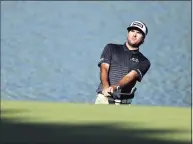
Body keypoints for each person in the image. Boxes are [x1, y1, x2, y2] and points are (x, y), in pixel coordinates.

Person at [95, 20, 151, 105]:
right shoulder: (111, 48)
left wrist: (115, 87)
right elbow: (104, 69)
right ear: (128, 33)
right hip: (103, 99)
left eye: (138, 33)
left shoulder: (144, 61)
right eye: (132, 31)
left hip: (123, 103)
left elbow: (130, 77)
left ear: (143, 40)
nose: (134, 35)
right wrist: (106, 87)